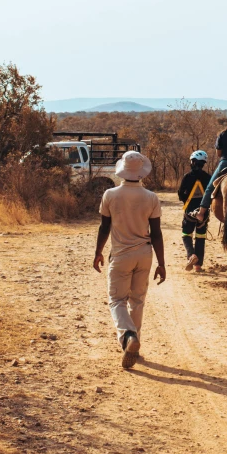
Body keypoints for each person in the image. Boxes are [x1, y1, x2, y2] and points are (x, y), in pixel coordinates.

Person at [93, 150, 166, 368]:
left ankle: (128, 336)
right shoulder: (151, 197)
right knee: (138, 300)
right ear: (142, 173)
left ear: (122, 171)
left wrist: (98, 252)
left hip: (121, 254)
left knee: (117, 300)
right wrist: (161, 263)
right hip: (144, 254)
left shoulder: (110, 195)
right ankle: (134, 342)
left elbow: (104, 227)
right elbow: (157, 233)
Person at [178, 150, 212, 271]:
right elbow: (212, 195)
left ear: (192, 162)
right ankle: (198, 266)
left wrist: (188, 202)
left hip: (189, 211)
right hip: (204, 213)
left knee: (186, 234)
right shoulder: (208, 177)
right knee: (200, 237)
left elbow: (180, 194)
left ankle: (191, 255)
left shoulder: (187, 177)